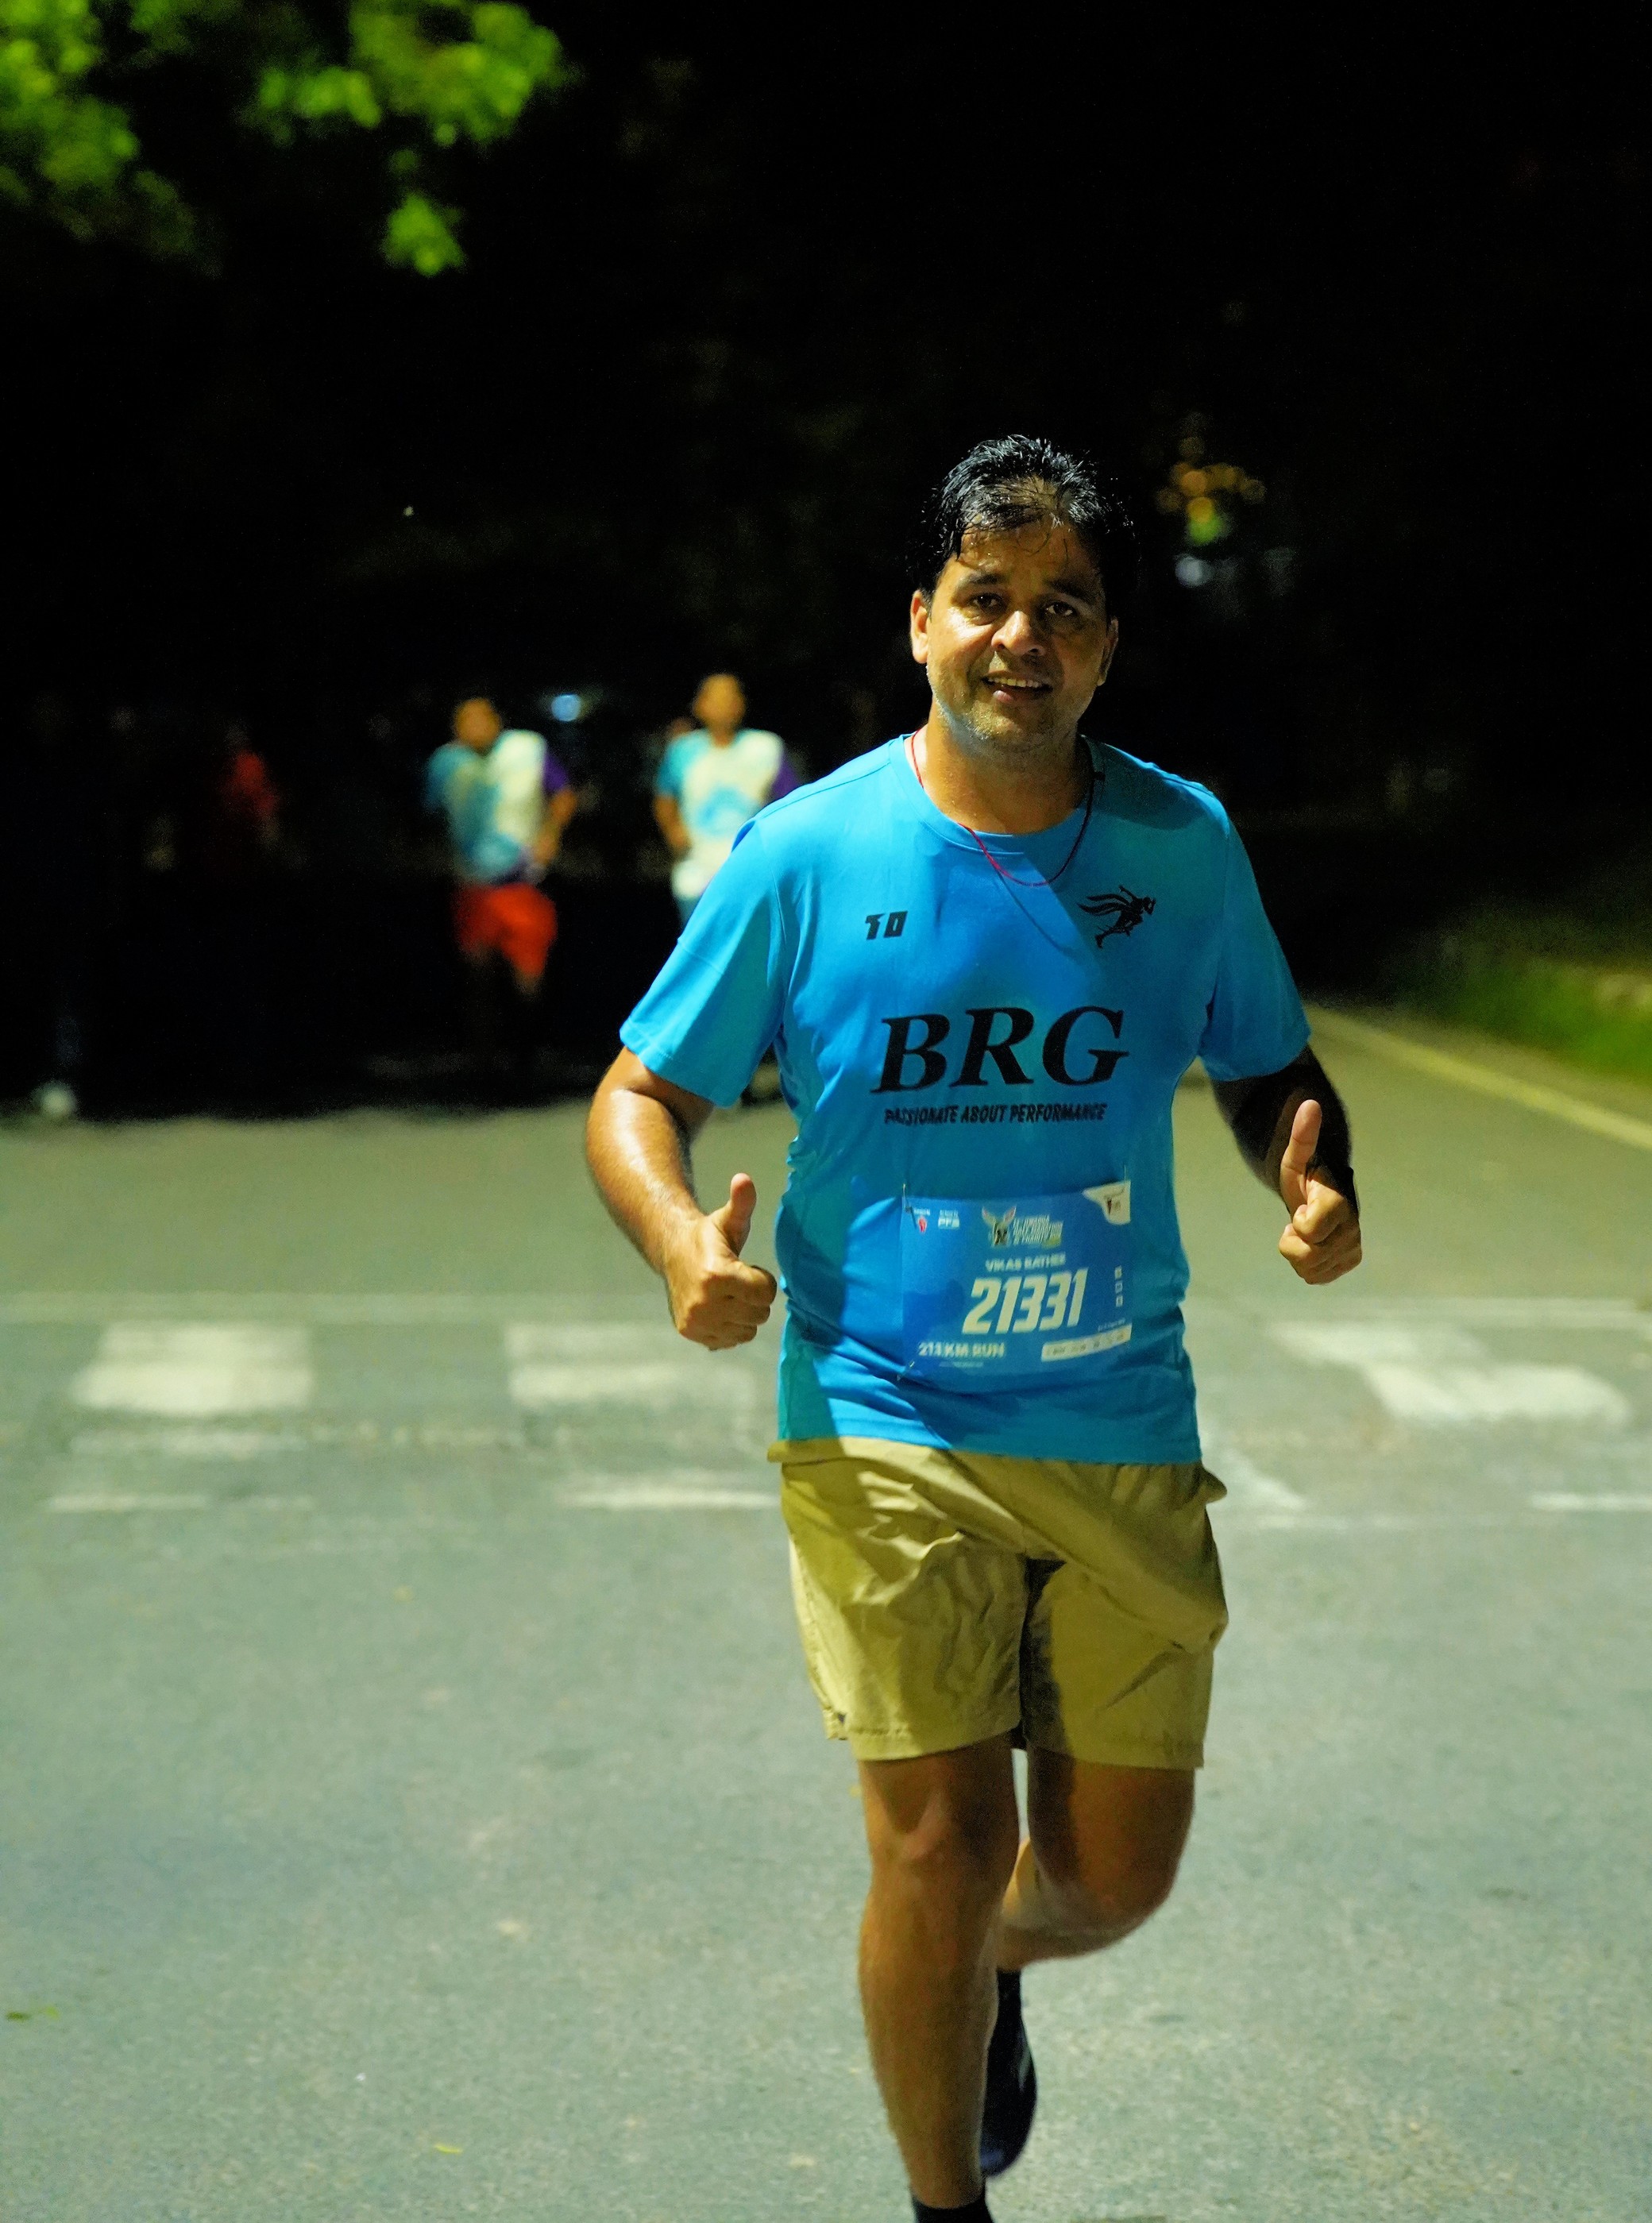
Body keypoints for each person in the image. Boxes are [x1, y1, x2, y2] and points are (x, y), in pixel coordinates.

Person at [585, 435, 1361, 2223]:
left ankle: (985, 1964)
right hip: (881, 1411)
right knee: (938, 1842)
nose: (1023, 636)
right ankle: (949, 2202)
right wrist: (679, 1248)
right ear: (922, 621)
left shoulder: (1180, 844)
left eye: (1063, 607)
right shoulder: (808, 852)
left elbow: (1268, 1066)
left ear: (1106, 647)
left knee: (1106, 1883)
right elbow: (638, 1096)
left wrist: (1315, 1183)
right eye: (986, 598)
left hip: (1113, 1410)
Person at [424, 697, 577, 1078]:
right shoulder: (445, 763)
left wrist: (550, 835)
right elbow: (428, 813)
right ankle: (483, 1063)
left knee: (528, 975)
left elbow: (564, 794)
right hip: (472, 884)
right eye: (466, 720)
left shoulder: (527, 749)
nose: (475, 726)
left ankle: (526, 1056)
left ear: (498, 721)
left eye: (482, 718)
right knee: (477, 976)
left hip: (523, 882)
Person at [651, 672, 799, 925]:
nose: (725, 705)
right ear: (700, 706)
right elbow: (664, 797)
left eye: (731, 697)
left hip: (751, 871)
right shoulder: (682, 750)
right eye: (716, 698)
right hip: (696, 872)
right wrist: (673, 829)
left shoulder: (766, 747)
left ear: (742, 704)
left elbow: (792, 802)